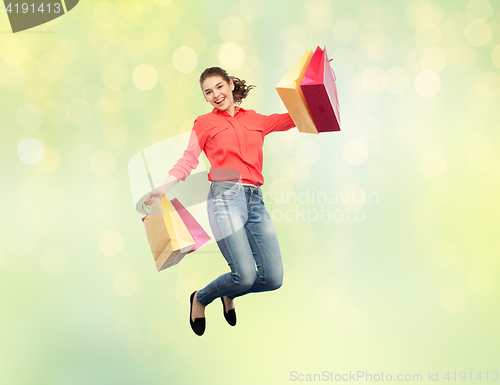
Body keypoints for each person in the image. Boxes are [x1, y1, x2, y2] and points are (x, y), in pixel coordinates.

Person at [144, 67, 296, 336]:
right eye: (208, 92)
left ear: (230, 85)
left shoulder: (256, 119)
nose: (215, 95)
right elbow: (188, 160)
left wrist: (311, 97)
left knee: (273, 278)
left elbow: (293, 118)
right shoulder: (204, 123)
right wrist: (164, 187)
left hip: (255, 200)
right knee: (245, 275)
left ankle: (231, 292)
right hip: (225, 199)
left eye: (219, 87)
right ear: (205, 98)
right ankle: (201, 298)